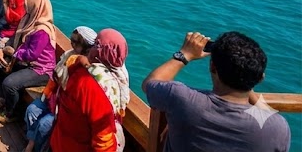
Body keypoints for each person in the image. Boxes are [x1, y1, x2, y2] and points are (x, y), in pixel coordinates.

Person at [141, 31, 291, 152]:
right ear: (260, 79)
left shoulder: (181, 98)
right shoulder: (278, 128)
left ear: (212, 67)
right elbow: (268, 114)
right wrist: (247, 80)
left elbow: (149, 84)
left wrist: (185, 54)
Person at [49, 28, 130, 152]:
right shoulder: (113, 81)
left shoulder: (80, 71)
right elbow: (103, 137)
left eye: (97, 44)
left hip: (62, 139)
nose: (93, 48)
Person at [0, 0, 57, 124]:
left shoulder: (42, 31)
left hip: (40, 69)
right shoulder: (29, 21)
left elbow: (32, 54)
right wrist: (2, 50)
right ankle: (4, 97)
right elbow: (16, 39)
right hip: (24, 61)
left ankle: (11, 112)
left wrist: (13, 54)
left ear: (35, 7)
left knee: (10, 83)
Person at [23, 26, 97, 152]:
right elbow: (56, 76)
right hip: (54, 97)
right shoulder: (68, 55)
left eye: (76, 42)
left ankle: (35, 148)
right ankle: (32, 144)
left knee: (44, 125)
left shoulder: (89, 67)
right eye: (71, 40)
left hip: (67, 107)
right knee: (32, 110)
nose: (72, 44)